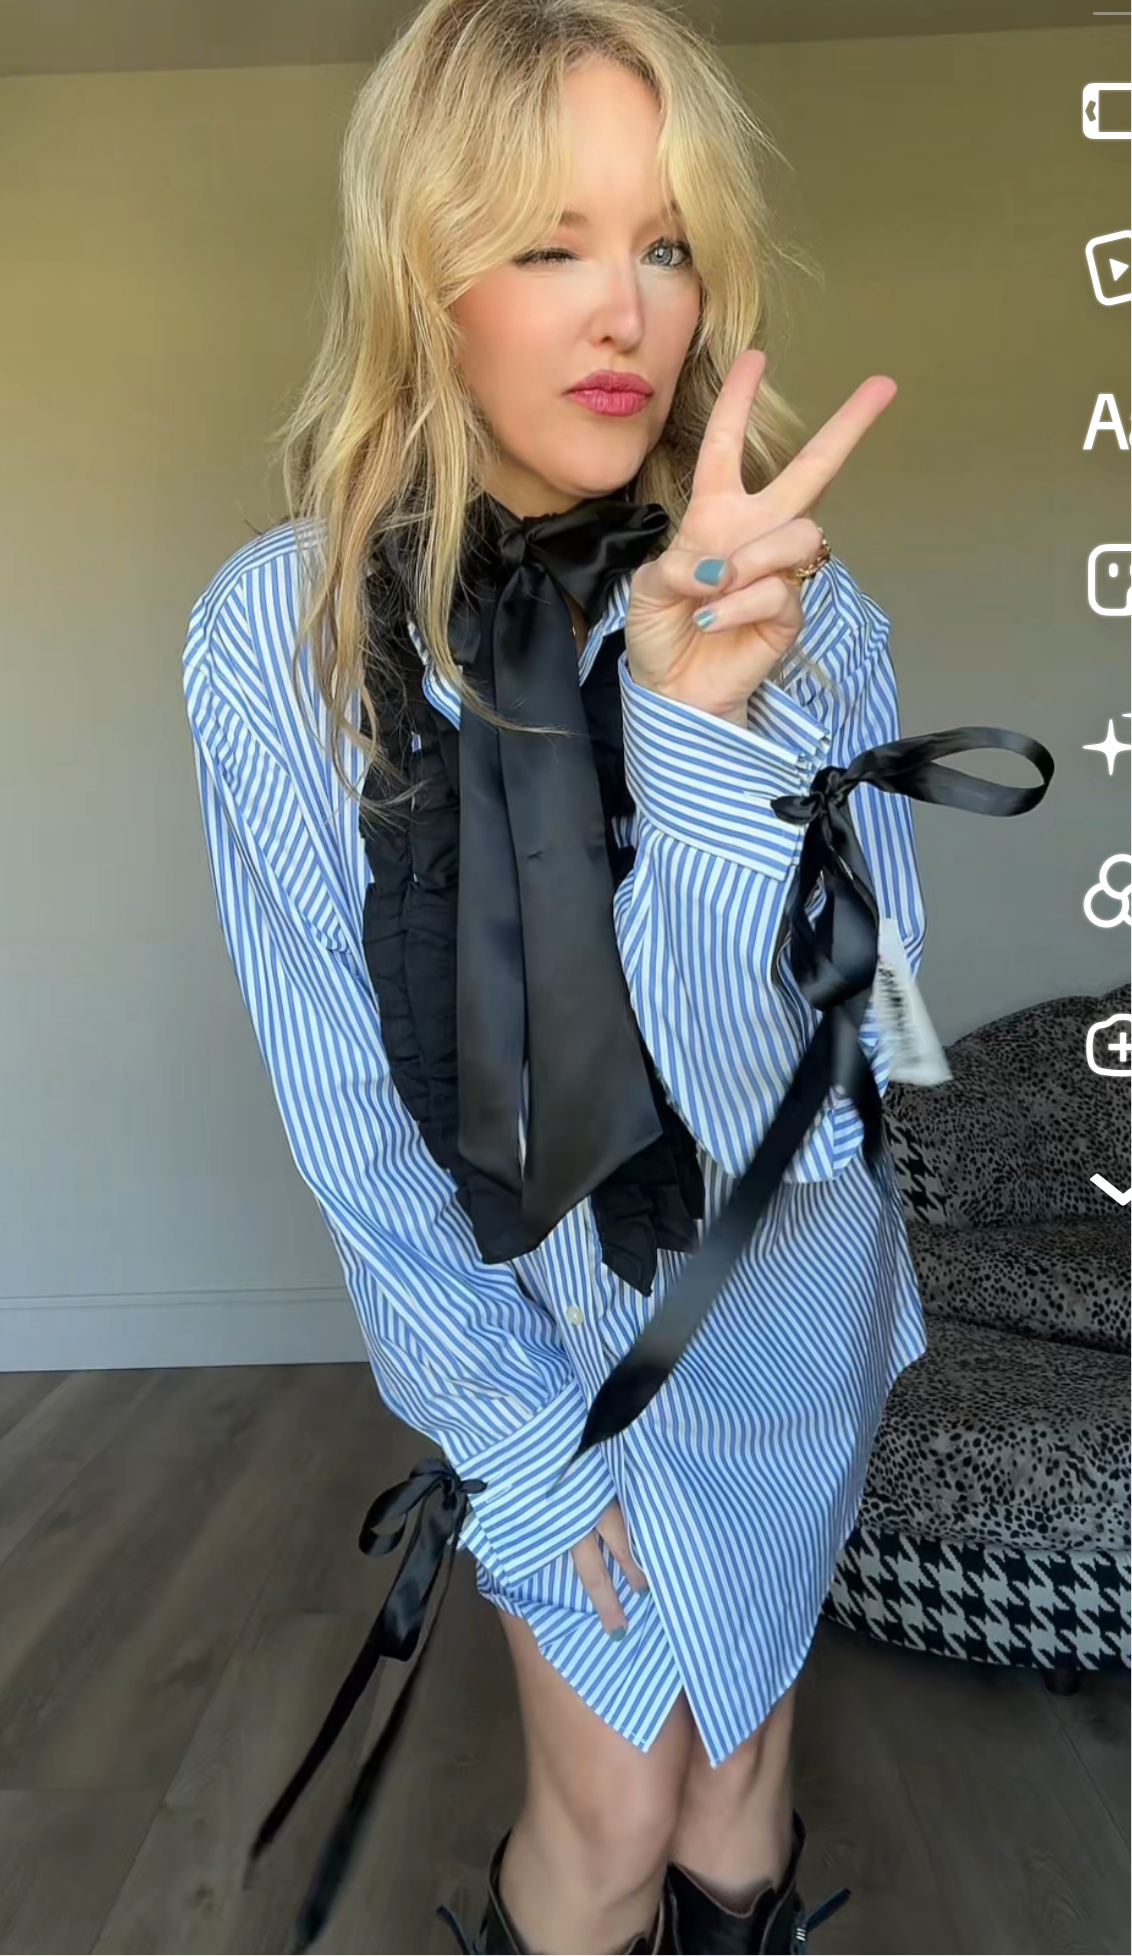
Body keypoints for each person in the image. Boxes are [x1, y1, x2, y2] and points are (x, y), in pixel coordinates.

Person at [181, 2, 928, 1951]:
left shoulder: (804, 608)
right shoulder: (276, 635)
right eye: (547, 242)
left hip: (778, 1294)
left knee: (733, 1776)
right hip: (533, 1317)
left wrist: (694, 737)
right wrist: (516, 1444)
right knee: (606, 1806)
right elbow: (351, 1121)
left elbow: (830, 1087)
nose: (625, 311)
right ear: (419, 276)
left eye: (665, 244)